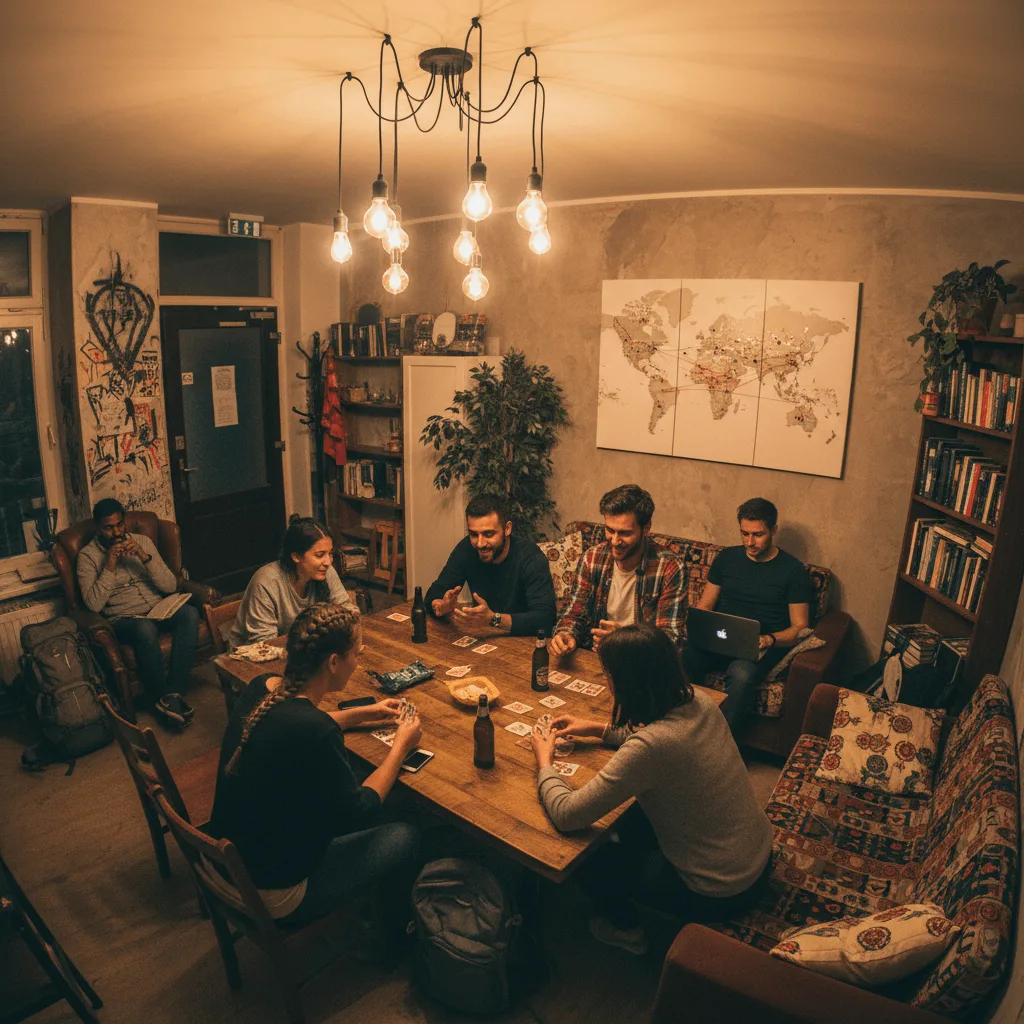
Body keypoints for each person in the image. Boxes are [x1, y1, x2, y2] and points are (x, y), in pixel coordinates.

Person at [531, 624, 773, 955]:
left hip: (719, 891)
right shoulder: (699, 700)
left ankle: (627, 930)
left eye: (610, 676)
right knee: (630, 815)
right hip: (758, 858)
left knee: (582, 851)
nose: (607, 683)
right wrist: (600, 729)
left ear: (629, 682)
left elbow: (568, 813)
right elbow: (667, 744)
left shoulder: (651, 747)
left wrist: (544, 760)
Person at [209, 603, 422, 928]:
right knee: (406, 833)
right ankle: (391, 941)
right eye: (357, 654)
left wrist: (360, 713)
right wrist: (400, 747)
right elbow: (360, 812)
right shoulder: (316, 732)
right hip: (273, 892)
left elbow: (292, 724)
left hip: (225, 865)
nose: (359, 661)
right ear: (334, 662)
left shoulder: (263, 687)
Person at [682, 497, 813, 731]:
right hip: (720, 639)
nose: (750, 542)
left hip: (758, 648)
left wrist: (769, 639)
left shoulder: (793, 571)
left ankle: (724, 745)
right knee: (684, 657)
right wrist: (699, 626)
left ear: (773, 530)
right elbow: (705, 605)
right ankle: (678, 731)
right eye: (744, 534)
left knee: (741, 674)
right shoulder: (727, 558)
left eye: (758, 535)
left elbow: (800, 629)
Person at [77, 498, 199, 728]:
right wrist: (110, 565)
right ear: (98, 527)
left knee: (190, 614)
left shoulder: (142, 541)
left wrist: (145, 557)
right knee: (145, 628)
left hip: (157, 609)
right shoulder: (87, 557)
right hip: (125, 618)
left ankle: (173, 694)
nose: (116, 532)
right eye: (108, 527)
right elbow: (93, 605)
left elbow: (170, 586)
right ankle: (162, 696)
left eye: (120, 525)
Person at [547, 484, 685, 656]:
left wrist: (623, 640)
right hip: (597, 657)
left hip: (643, 662)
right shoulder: (593, 558)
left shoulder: (668, 567)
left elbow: (670, 639)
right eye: (610, 530)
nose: (614, 540)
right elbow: (574, 612)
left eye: (625, 533)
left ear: (646, 528)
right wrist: (565, 634)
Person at [424, 493, 557, 637]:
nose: (480, 544)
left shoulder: (531, 558)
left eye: (488, 534)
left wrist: (494, 619)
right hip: (484, 638)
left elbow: (545, 619)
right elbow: (434, 593)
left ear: (507, 529)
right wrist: (440, 605)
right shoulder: (466, 549)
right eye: (474, 534)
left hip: (525, 641)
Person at [229, 515, 357, 650]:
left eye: (330, 553)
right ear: (296, 556)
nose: (328, 562)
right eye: (319, 555)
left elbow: (347, 610)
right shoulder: (266, 582)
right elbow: (266, 644)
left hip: (301, 650)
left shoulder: (325, 571)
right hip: (250, 658)